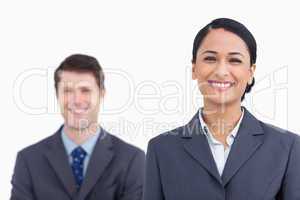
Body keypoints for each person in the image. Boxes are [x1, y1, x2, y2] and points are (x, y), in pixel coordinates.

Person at [143, 18, 300, 200]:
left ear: (250, 72)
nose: (221, 71)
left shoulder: (288, 148)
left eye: (234, 60)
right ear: (194, 68)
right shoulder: (162, 149)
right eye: (210, 58)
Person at [10, 54, 145, 200]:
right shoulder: (29, 160)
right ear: (57, 95)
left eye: (85, 90)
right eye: (67, 91)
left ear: (102, 94)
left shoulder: (132, 159)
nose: (76, 100)